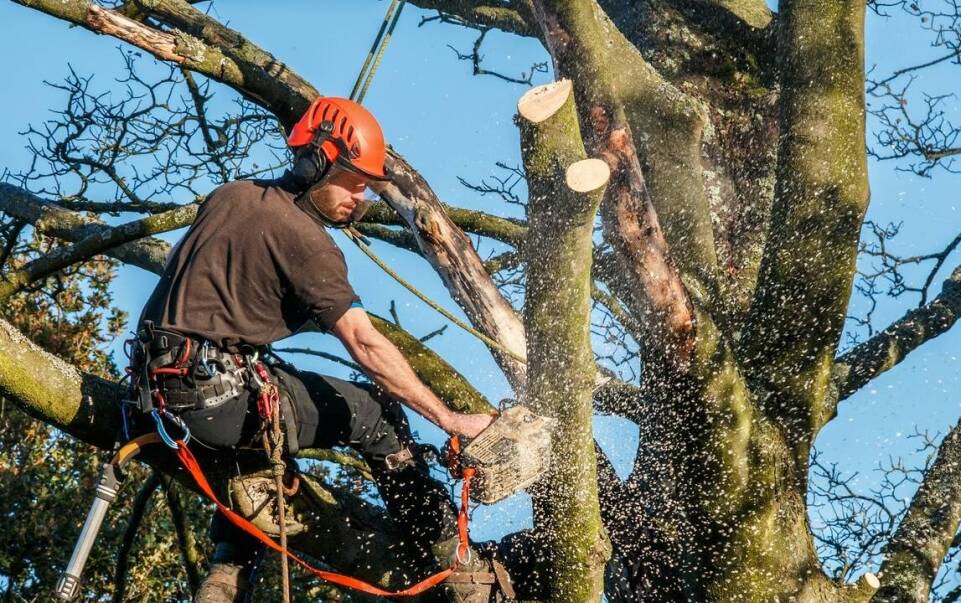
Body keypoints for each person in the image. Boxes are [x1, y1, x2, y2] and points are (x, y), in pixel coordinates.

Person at [132, 97, 502, 602]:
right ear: (318, 161)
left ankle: (227, 573)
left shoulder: (229, 196)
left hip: (149, 400)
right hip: (214, 401)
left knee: (262, 444)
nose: (362, 197)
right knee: (375, 413)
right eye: (354, 181)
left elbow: (198, 275)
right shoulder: (306, 240)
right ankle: (455, 566)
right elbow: (364, 342)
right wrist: (450, 420)